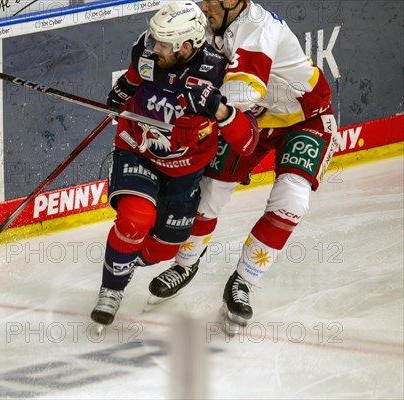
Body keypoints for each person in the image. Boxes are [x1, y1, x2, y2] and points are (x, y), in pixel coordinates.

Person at [147, 0, 339, 335]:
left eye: (211, 0)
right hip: (253, 120)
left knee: (293, 201)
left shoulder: (257, 29)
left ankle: (244, 281)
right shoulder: (206, 21)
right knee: (208, 196)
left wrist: (194, 112)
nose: (204, 6)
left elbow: (240, 93)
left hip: (303, 120)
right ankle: (186, 264)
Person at [90, 1, 258, 326]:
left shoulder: (220, 71)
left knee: (163, 250)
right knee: (135, 219)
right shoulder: (147, 49)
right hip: (137, 149)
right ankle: (111, 290)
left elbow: (248, 141)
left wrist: (216, 115)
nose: (154, 47)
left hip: (185, 170)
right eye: (154, 39)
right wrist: (121, 93)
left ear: (187, 45)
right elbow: (134, 77)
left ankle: (122, 258)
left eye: (163, 44)